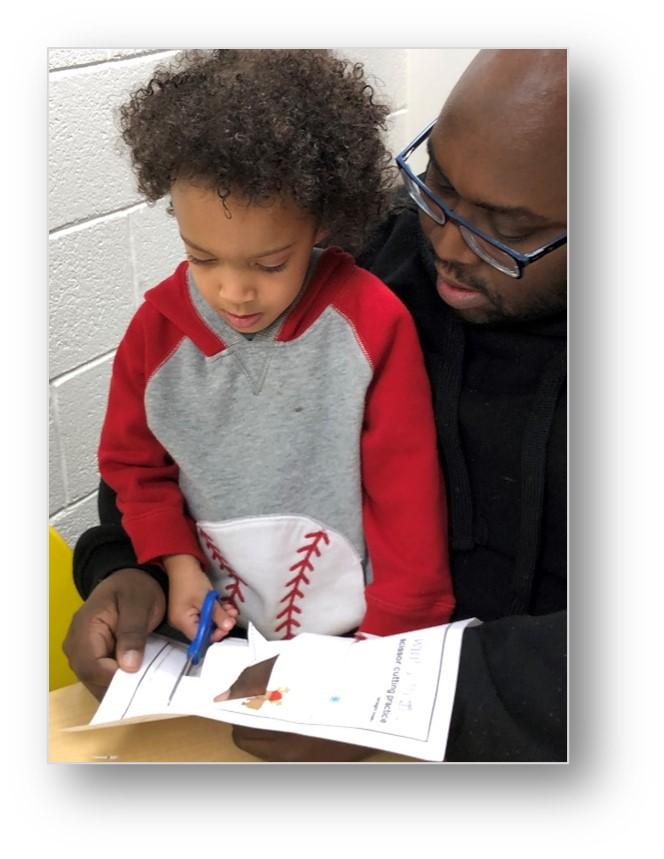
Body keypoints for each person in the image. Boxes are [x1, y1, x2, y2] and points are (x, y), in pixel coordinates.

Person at [64, 48, 567, 762]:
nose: (447, 244)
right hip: (251, 688)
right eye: (438, 184)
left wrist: (379, 697)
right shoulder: (368, 248)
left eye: (508, 229)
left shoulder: (363, 322)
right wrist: (130, 566)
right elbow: (149, 464)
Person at [85, 49, 455, 655]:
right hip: (217, 636)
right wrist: (178, 563)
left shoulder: (373, 323)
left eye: (270, 263)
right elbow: (133, 467)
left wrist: (397, 635)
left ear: (322, 224)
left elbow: (407, 492)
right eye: (201, 257)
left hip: (358, 641)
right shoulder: (154, 334)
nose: (233, 292)